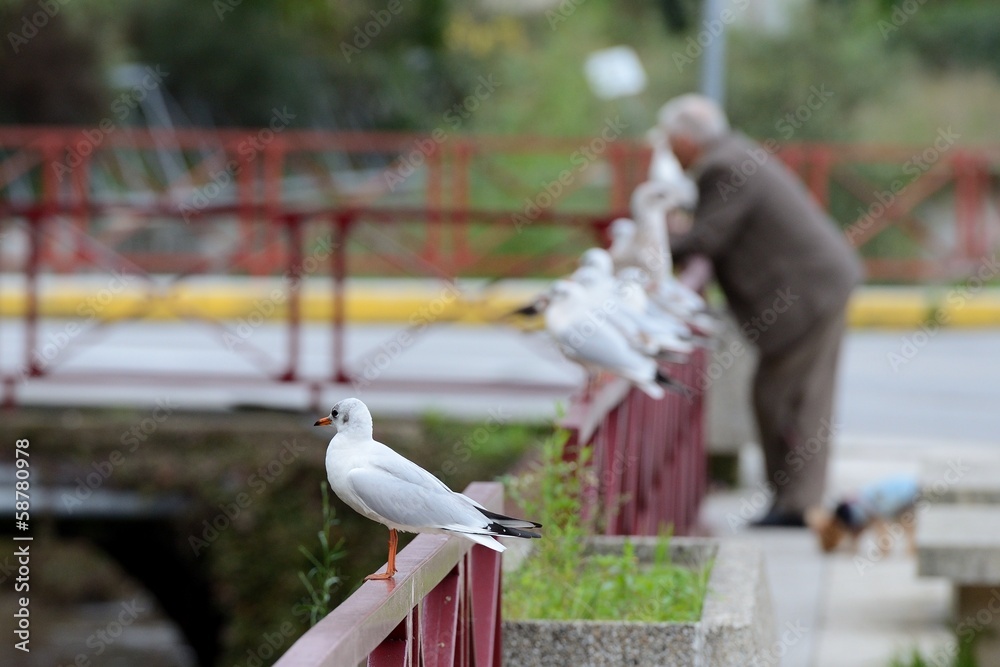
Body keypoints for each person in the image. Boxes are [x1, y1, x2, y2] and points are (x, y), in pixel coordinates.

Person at [656, 93, 864, 527]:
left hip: (807, 294)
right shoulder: (733, 154)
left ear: (688, 140)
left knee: (787, 399)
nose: (667, 149)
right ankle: (795, 501)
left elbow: (706, 239)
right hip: (817, 286)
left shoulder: (723, 166)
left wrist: (653, 238)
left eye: (670, 140)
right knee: (793, 398)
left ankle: (796, 504)